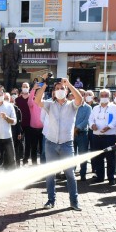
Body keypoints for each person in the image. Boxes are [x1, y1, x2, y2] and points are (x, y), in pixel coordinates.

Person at [34, 77, 84, 211]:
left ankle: (74, 201)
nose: (60, 90)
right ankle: (51, 200)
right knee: (50, 174)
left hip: (66, 144)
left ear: (67, 91)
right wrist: (44, 85)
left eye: (62, 88)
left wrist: (69, 83)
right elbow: (37, 101)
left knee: (70, 174)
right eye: (57, 88)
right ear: (54, 92)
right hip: (50, 143)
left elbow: (80, 99)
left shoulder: (72, 105)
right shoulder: (50, 104)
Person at [89, 89, 116, 184]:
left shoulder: (114, 107)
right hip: (97, 136)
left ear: (109, 97)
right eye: (102, 95)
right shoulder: (95, 108)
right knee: (98, 158)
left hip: (109, 136)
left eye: (106, 95)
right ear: (99, 97)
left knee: (110, 158)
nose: (104, 97)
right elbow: (90, 119)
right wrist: (92, 125)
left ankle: (111, 178)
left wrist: (108, 127)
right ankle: (100, 176)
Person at [74, 89, 91, 181]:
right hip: (71, 133)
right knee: (71, 155)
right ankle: (71, 173)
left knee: (82, 155)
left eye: (82, 94)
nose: (80, 96)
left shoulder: (88, 108)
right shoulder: (71, 106)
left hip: (82, 134)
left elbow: (86, 121)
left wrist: (77, 128)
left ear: (84, 96)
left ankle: (83, 174)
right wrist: (72, 130)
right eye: (78, 94)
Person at [27, 82, 45, 165]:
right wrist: (33, 89)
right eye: (38, 93)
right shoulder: (32, 103)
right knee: (33, 147)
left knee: (43, 148)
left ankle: (42, 163)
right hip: (33, 129)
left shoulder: (46, 103)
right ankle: (34, 164)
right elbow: (29, 100)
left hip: (43, 129)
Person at [15, 82, 33, 166]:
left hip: (30, 123)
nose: (25, 88)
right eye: (23, 86)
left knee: (28, 142)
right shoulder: (17, 99)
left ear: (29, 88)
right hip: (20, 124)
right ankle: (19, 158)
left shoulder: (32, 98)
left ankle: (26, 159)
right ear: (21, 88)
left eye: (26, 86)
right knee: (19, 142)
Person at [9, 89, 24, 166]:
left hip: (15, 131)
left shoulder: (16, 109)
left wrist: (19, 132)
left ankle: (17, 163)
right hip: (7, 131)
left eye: (15, 93)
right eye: (12, 94)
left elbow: (19, 122)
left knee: (16, 147)